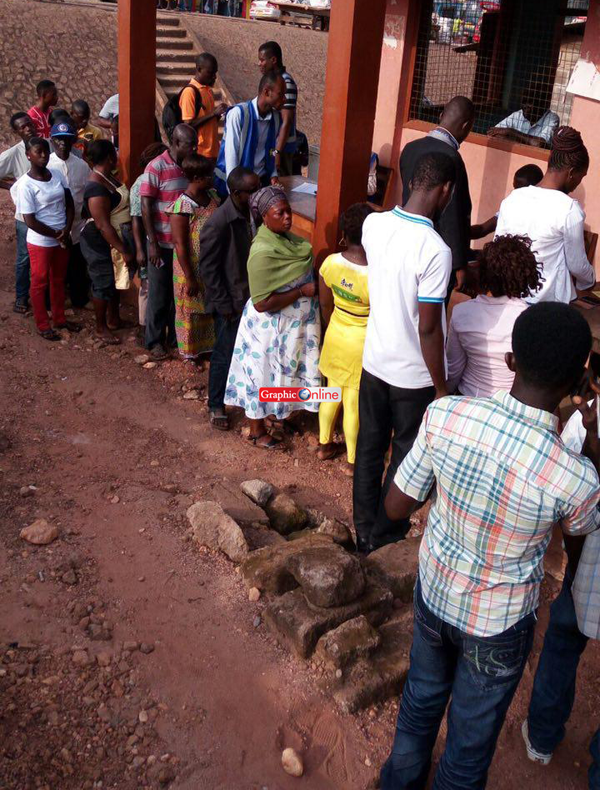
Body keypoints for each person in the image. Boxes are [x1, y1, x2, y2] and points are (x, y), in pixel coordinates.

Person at [380, 301, 600, 790]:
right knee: (468, 749)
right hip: (500, 625)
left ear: (510, 361)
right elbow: (582, 548)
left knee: (419, 704)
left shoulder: (445, 415)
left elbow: (395, 508)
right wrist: (590, 440)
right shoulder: (577, 477)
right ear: (580, 381)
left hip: (436, 595)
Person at [353, 151, 455, 554]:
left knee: (368, 448)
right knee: (406, 458)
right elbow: (428, 326)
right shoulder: (435, 249)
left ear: (413, 182)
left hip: (374, 361)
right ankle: (385, 533)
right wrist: (442, 387)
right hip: (413, 376)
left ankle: (364, 531)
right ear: (445, 192)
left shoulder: (373, 224)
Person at [521, 385, 600, 786]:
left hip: (588, 562)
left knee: (563, 641)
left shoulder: (588, 417)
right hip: (588, 561)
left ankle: (541, 737)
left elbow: (565, 486)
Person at [224, 186, 321, 449]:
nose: (288, 217)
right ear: (264, 217)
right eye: (280, 213)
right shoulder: (263, 252)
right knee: (262, 375)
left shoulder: (290, 242)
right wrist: (301, 290)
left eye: (289, 211)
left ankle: (275, 414)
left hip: (292, 328)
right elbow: (262, 303)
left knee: (282, 375)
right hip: (268, 330)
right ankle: (256, 430)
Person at [495, 126, 595, 303]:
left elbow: (499, 247)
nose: (578, 182)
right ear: (572, 173)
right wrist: (589, 280)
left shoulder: (513, 199)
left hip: (508, 297)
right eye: (581, 176)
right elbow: (577, 264)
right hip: (546, 304)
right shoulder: (569, 209)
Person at [199, 166, 260, 431]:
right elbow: (208, 270)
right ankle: (216, 405)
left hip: (248, 298)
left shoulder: (251, 214)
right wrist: (223, 305)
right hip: (229, 303)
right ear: (236, 193)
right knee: (224, 353)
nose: (256, 195)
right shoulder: (219, 222)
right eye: (251, 191)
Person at [446, 234, 542, 397]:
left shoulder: (461, 312)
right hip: (511, 404)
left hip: (468, 397)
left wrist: (446, 396)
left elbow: (453, 370)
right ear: (526, 275)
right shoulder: (531, 320)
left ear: (483, 273)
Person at [318, 203, 374, 476]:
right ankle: (352, 461)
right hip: (361, 341)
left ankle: (324, 445)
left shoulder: (330, 263)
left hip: (336, 331)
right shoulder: (375, 275)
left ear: (345, 234)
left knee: (331, 393)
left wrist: (332, 327)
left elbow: (325, 305)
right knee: (353, 401)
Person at [400, 96, 474, 291]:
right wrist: (459, 264)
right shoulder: (452, 158)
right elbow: (453, 214)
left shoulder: (410, 148)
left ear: (441, 116)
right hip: (436, 251)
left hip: (407, 241)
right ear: (466, 126)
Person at [10, 137, 77, 340]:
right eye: (38, 152)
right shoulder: (25, 185)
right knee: (39, 282)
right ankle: (42, 323)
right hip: (41, 240)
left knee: (58, 279)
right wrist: (57, 235)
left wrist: (66, 230)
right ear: (28, 155)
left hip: (62, 236)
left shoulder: (56, 174)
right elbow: (30, 220)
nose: (43, 155)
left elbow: (69, 203)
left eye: (46, 151)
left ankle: (59, 319)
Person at [141, 124, 196, 359]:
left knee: (178, 295)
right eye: (189, 144)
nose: (193, 148)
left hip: (181, 245)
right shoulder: (156, 167)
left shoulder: (189, 167)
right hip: (161, 244)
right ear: (175, 143)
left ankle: (175, 339)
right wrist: (152, 242)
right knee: (159, 294)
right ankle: (154, 341)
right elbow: (145, 206)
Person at [80, 140, 135, 345]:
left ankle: (114, 319)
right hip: (99, 240)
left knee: (112, 279)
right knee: (102, 281)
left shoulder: (107, 178)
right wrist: (124, 249)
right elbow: (103, 225)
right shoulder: (95, 187)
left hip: (112, 237)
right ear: (110, 157)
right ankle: (100, 327)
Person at [167, 154, 219, 362]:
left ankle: (207, 349)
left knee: (208, 308)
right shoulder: (182, 206)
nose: (212, 178)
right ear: (197, 178)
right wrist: (189, 277)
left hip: (211, 265)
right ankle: (190, 355)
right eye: (208, 176)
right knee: (189, 310)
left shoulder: (213, 196)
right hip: (191, 266)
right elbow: (180, 244)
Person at [213, 71, 285, 196]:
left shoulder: (276, 119)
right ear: (267, 92)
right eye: (281, 94)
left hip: (259, 185)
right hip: (236, 189)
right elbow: (232, 157)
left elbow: (270, 152)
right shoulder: (238, 114)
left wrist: (273, 175)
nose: (284, 99)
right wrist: (234, 195)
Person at [49, 121, 91, 309]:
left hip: (77, 226)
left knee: (77, 266)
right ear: (52, 141)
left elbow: (88, 191)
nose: (63, 144)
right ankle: (52, 303)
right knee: (54, 268)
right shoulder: (47, 165)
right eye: (59, 140)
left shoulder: (81, 166)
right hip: (54, 226)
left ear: (73, 141)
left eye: (67, 140)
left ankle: (79, 299)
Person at [0, 112, 37, 314]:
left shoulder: (45, 145)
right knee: (24, 258)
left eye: (29, 124)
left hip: (48, 215)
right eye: (22, 127)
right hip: (25, 217)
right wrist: (12, 187)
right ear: (16, 132)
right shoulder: (15, 154)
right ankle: (21, 297)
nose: (28, 129)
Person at [130, 142, 168, 334]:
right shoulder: (141, 183)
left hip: (156, 240)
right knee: (147, 286)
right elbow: (136, 219)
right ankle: (144, 327)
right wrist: (139, 249)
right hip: (148, 242)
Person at [470, 163, 544, 240]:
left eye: (520, 190)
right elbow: (483, 229)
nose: (515, 193)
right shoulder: (511, 206)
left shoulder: (545, 213)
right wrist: (460, 232)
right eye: (515, 188)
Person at [258, 41, 298, 177]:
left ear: (273, 60)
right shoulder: (272, 81)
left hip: (282, 147)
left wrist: (277, 153)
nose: (259, 64)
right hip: (272, 145)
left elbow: (286, 122)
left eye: (262, 60)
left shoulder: (286, 82)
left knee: (282, 185)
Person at [179, 53, 228, 161]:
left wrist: (218, 114)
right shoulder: (189, 92)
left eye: (215, 73)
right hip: (199, 153)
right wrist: (213, 114)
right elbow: (188, 125)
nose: (214, 77)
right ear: (199, 69)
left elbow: (209, 122)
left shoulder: (208, 90)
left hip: (212, 152)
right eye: (210, 73)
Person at [488, 86, 560, 148]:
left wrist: (510, 132)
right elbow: (492, 133)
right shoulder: (518, 114)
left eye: (530, 103)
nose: (525, 106)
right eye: (524, 102)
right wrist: (528, 143)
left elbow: (540, 144)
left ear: (541, 105)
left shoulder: (552, 118)